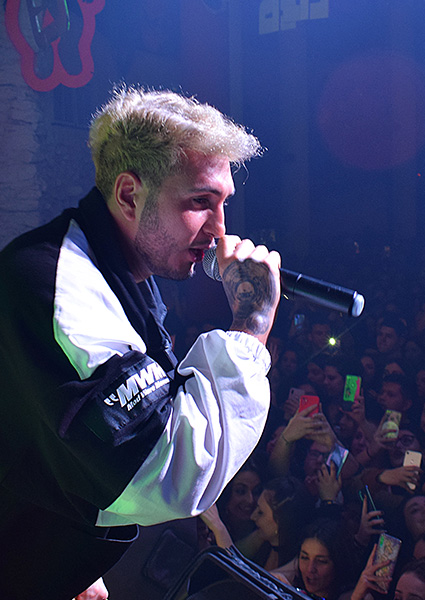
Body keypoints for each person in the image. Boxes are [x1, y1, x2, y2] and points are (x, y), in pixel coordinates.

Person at [0, 87, 281, 600]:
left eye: (224, 204)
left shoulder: (118, 273)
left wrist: (71, 556)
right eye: (200, 202)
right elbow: (167, 470)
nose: (220, 230)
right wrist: (252, 323)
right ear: (129, 194)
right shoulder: (61, 286)